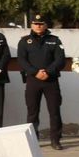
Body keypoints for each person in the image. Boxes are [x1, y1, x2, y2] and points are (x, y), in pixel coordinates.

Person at [17, 15, 65, 149]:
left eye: (41, 24)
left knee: (54, 111)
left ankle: (55, 140)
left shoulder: (54, 40)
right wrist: (35, 72)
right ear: (32, 25)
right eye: (35, 24)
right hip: (33, 80)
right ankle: (33, 140)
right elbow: (22, 60)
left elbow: (60, 59)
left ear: (45, 25)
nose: (38, 26)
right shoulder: (25, 41)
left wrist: (48, 72)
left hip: (51, 80)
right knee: (32, 112)